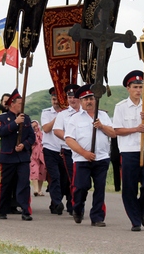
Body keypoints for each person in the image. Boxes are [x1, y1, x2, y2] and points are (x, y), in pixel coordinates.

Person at [112, 70, 144, 232]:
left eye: (141, 87)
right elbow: (117, 130)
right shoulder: (121, 107)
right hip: (128, 151)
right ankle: (135, 221)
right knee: (129, 187)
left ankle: (141, 210)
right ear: (128, 88)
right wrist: (135, 129)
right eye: (135, 87)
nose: (138, 90)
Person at [65, 84, 116, 227]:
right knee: (80, 187)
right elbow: (69, 139)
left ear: (96, 99)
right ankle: (78, 208)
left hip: (101, 158)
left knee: (100, 188)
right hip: (82, 159)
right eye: (85, 99)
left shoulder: (103, 116)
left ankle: (97, 217)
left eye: (91, 98)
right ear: (81, 102)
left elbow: (113, 134)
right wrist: (84, 153)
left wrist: (102, 126)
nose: (89, 101)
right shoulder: (75, 118)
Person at [0, 89, 35, 221]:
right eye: (20, 103)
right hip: (8, 156)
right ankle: (3, 209)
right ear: (12, 104)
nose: (22, 105)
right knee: (6, 184)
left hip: (22, 156)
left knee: (24, 183)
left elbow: (32, 137)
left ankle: (25, 210)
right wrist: (15, 123)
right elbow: (2, 132)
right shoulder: (2, 118)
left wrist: (24, 145)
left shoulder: (27, 118)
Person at [53, 84, 81, 213]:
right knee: (72, 178)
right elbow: (57, 130)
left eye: (74, 97)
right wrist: (70, 139)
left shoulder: (86, 113)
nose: (72, 100)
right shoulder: (63, 115)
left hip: (84, 151)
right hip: (69, 150)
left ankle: (78, 202)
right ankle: (73, 205)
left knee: (82, 180)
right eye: (70, 97)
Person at [41, 87, 67, 215]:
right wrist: (58, 117)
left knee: (64, 179)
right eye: (53, 99)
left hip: (63, 149)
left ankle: (54, 203)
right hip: (50, 149)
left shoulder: (68, 113)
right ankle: (57, 202)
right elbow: (46, 128)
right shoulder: (46, 113)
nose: (55, 101)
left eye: (57, 99)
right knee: (55, 177)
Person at [30, 120, 46, 196]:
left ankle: (39, 189)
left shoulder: (43, 134)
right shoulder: (30, 135)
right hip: (33, 156)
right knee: (34, 171)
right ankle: (35, 189)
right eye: (33, 127)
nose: (35, 128)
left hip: (42, 155)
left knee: (42, 172)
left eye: (36, 126)